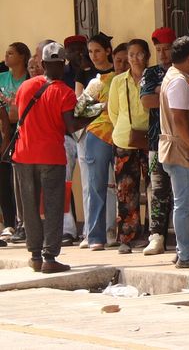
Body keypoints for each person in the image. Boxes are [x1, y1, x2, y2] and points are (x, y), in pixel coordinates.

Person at [12, 43, 96, 273]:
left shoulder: (26, 86)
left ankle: (35, 256)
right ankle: (49, 257)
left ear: (43, 63)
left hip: (23, 155)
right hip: (51, 156)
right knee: (53, 207)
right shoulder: (64, 92)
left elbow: (17, 113)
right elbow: (72, 126)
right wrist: (94, 113)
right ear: (62, 64)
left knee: (29, 207)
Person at [159, 36, 189, 269]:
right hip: (181, 150)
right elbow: (179, 119)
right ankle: (186, 254)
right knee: (185, 205)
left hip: (174, 148)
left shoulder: (173, 76)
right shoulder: (179, 81)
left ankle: (182, 250)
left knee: (185, 203)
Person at [107, 38, 151, 254]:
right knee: (126, 190)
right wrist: (125, 129)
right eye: (131, 55)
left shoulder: (153, 77)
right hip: (125, 139)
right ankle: (127, 236)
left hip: (151, 138)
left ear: (147, 56)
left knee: (154, 188)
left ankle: (153, 234)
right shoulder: (118, 81)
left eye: (139, 54)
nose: (134, 59)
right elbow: (113, 111)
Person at [77, 33, 117, 250]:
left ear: (108, 51)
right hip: (97, 135)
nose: (93, 56)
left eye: (98, 51)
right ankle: (95, 236)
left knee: (123, 188)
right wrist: (102, 107)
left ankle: (120, 233)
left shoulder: (120, 75)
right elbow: (79, 110)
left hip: (121, 134)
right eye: (90, 52)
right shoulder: (93, 80)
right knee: (96, 186)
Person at [141, 27, 177, 256]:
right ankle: (157, 236)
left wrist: (160, 91)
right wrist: (171, 92)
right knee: (158, 189)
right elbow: (147, 101)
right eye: (159, 50)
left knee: (183, 189)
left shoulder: (183, 69)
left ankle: (185, 236)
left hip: (182, 138)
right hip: (157, 140)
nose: (162, 54)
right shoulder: (151, 72)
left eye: (167, 49)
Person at [0, 42, 32, 237]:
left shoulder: (29, 79)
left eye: (11, 53)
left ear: (22, 57)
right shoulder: (1, 77)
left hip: (23, 130)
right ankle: (9, 223)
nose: (6, 56)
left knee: (20, 179)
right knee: (3, 178)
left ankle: (25, 222)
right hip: (3, 130)